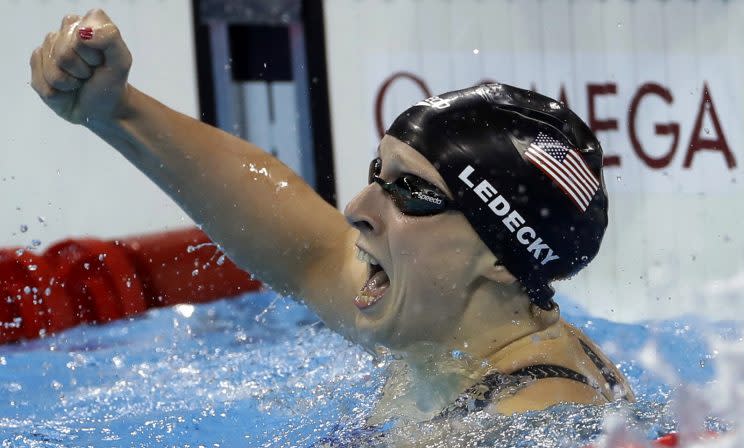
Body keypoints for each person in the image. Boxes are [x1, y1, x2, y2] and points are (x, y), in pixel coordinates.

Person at [30, 9, 634, 421]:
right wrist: (115, 112)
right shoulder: (443, 317)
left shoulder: (534, 418)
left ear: (504, 253)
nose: (356, 209)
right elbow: (303, 247)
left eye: (411, 193)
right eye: (378, 174)